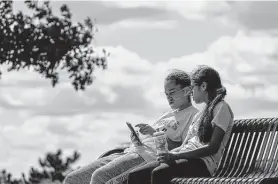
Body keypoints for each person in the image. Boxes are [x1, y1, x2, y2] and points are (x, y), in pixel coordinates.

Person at [63, 69, 198, 184]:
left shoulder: (193, 116)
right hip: (129, 151)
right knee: (72, 179)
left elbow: (181, 148)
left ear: (187, 91)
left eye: (173, 92)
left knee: (100, 177)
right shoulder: (166, 115)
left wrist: (154, 134)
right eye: (166, 94)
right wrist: (138, 138)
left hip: (147, 157)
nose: (169, 97)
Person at [127, 65, 234, 184]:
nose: (191, 93)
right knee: (135, 175)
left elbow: (213, 147)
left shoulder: (221, 107)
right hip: (186, 158)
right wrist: (169, 154)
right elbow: (186, 145)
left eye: (193, 88)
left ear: (203, 86)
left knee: (159, 173)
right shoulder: (202, 113)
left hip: (203, 163)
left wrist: (175, 156)